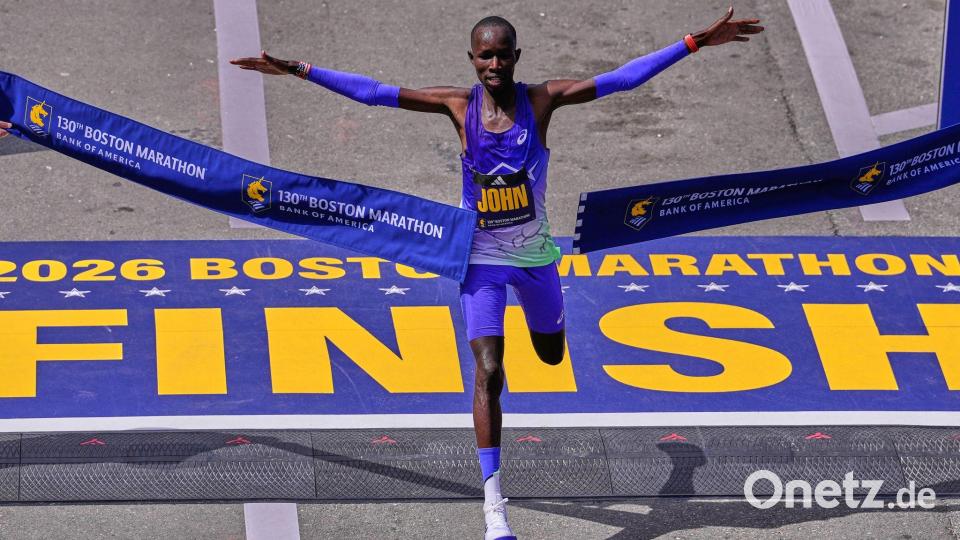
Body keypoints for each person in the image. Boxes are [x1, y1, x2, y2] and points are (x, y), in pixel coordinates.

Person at [1, 8, 761, 539]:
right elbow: (372, 92)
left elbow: (624, 80)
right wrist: (298, 68)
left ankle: (604, 408)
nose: (494, 65)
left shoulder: (542, 101)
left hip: (536, 258)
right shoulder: (457, 107)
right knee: (488, 372)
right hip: (479, 259)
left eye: (503, 55)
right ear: (472, 60)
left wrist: (695, 41)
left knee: (553, 352)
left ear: (516, 57)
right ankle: (495, 508)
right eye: (484, 56)